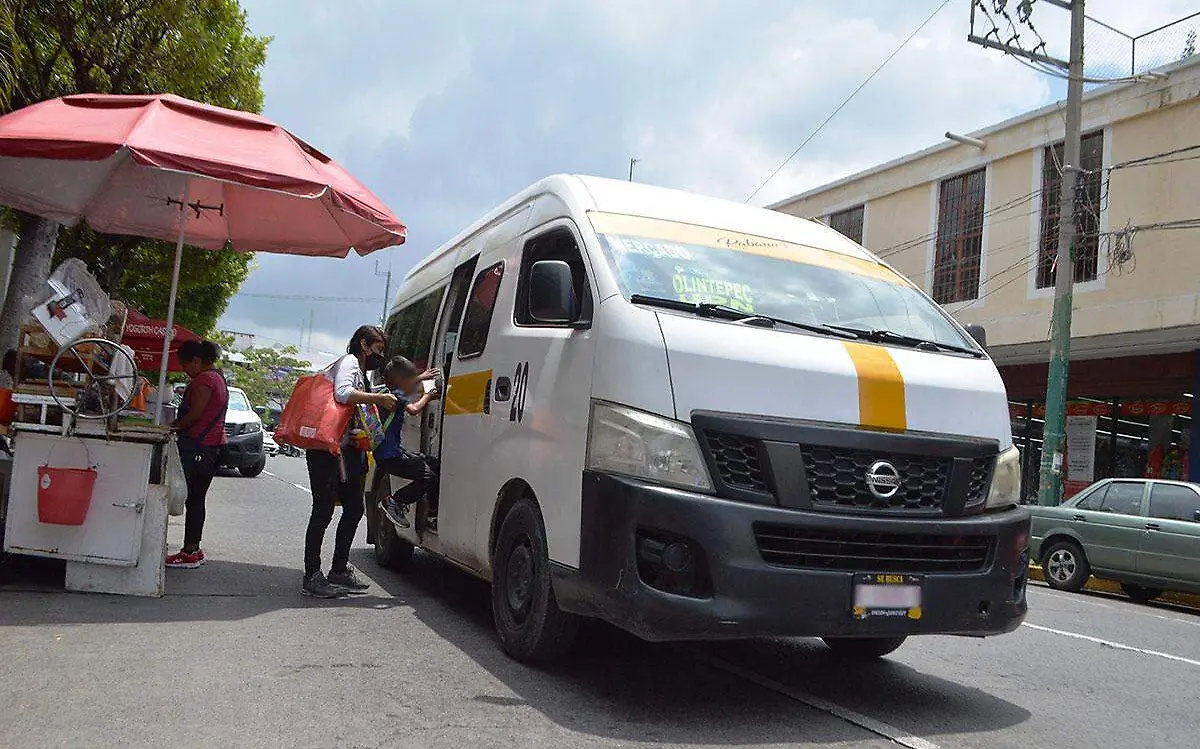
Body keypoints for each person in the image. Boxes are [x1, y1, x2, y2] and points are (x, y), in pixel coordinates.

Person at [302, 325, 398, 598]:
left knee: (355, 508)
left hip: (346, 451)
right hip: (327, 450)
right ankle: (312, 575)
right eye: (378, 348)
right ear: (364, 344)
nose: (381, 354)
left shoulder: (362, 373)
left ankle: (339, 570)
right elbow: (342, 393)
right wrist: (377, 397)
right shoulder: (350, 362)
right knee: (323, 511)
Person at [166, 339, 230, 569]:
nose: (184, 370)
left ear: (196, 360)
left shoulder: (205, 380)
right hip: (212, 447)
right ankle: (193, 548)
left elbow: (195, 414)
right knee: (197, 500)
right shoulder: (219, 377)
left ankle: (190, 550)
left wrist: (172, 427)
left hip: (200, 448)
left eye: (185, 364)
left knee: (193, 499)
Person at [375, 356, 440, 529]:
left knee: (432, 463)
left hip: (389, 453)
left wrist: (421, 377)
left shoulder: (385, 391)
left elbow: (404, 383)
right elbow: (414, 410)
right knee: (428, 477)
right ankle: (395, 501)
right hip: (391, 456)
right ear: (401, 381)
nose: (413, 384)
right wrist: (427, 396)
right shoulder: (398, 396)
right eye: (411, 380)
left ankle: (433, 510)